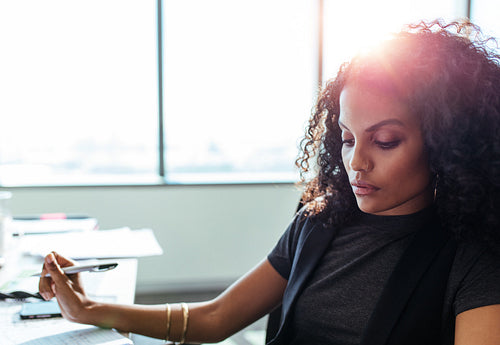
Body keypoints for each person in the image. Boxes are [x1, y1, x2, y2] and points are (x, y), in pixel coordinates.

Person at [39, 19, 500, 345]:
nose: (355, 162)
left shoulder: (475, 261)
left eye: (384, 141)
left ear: (448, 144)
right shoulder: (322, 221)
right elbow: (217, 317)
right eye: (345, 138)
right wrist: (92, 311)